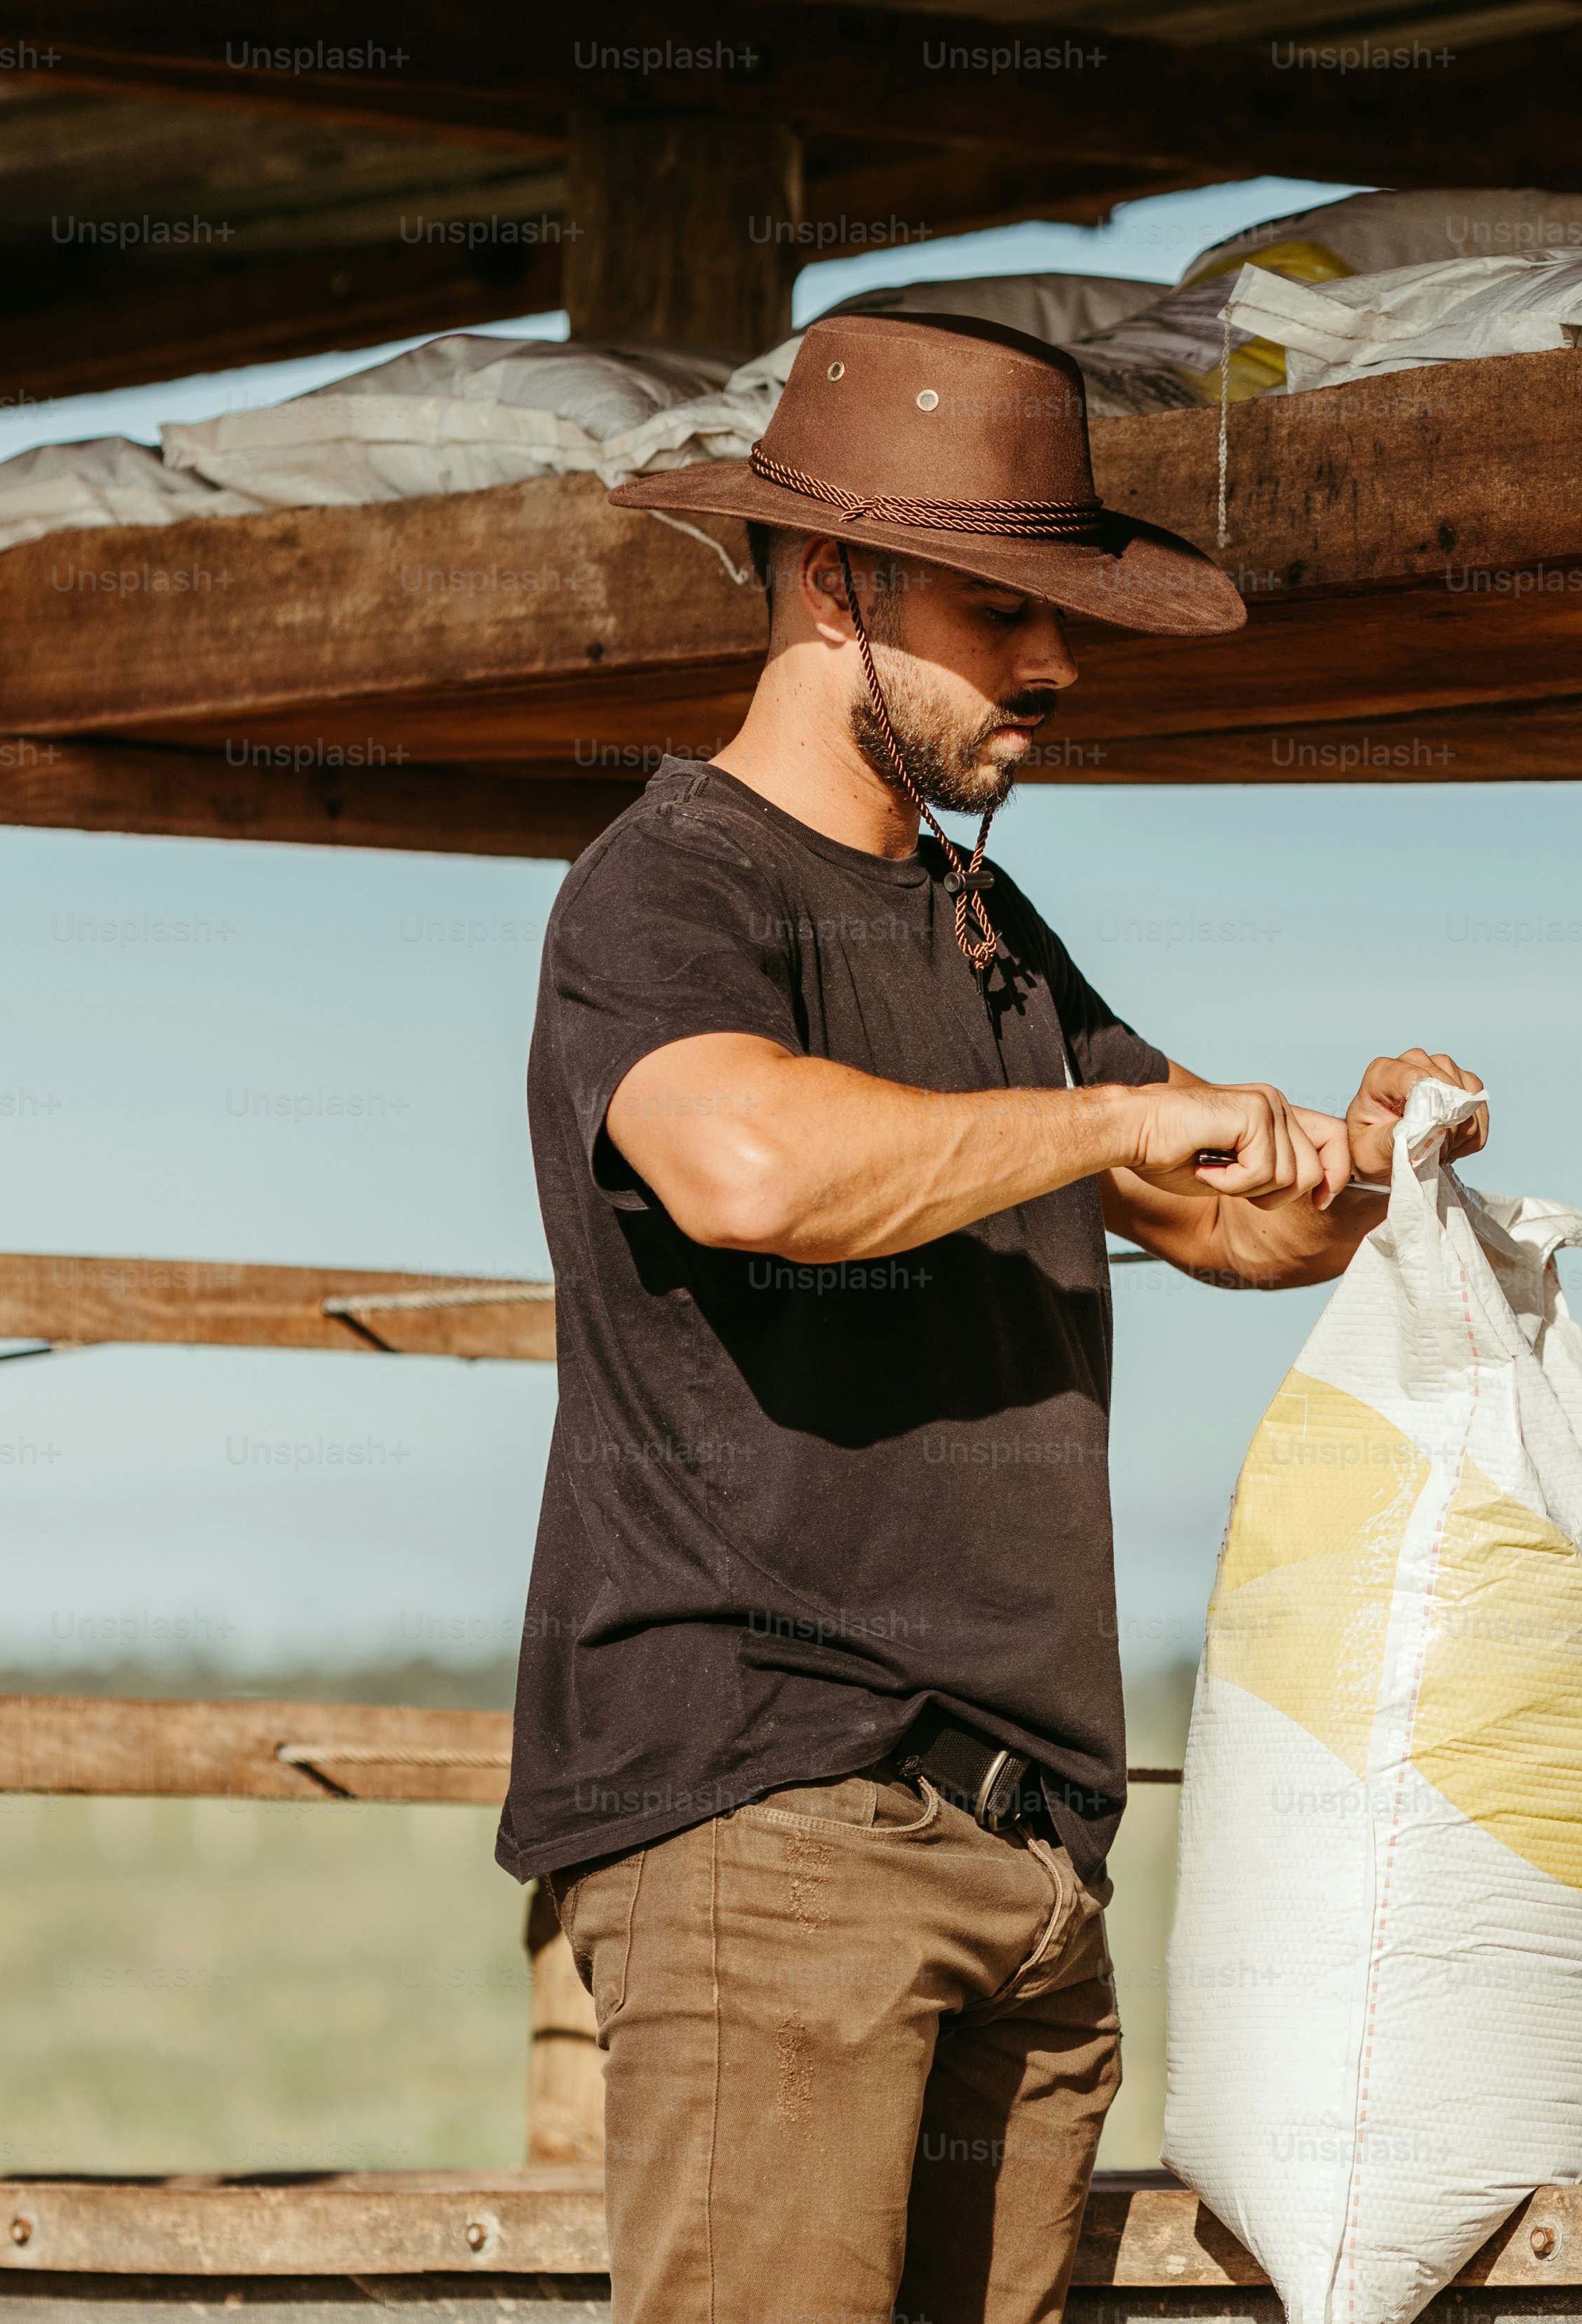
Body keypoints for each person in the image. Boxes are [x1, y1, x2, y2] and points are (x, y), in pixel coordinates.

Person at [493, 312, 1486, 2324]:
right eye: (1002, 609)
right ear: (837, 582)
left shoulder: (982, 923)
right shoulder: (659, 893)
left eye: (1063, 613)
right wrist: (1126, 1112)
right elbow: (746, 1169)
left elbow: (1216, 1228)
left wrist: (1372, 1176)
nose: (1054, 664)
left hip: (1030, 1858)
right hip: (774, 1822)